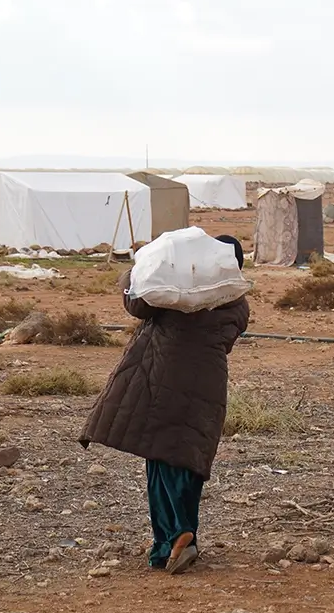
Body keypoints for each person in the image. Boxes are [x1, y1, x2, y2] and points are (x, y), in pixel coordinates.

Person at [79, 234, 251, 575]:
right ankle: (186, 540)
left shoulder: (174, 293)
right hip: (208, 383)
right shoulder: (236, 302)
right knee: (189, 459)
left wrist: (132, 273)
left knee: (161, 458)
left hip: (163, 379)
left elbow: (137, 304)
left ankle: (172, 535)